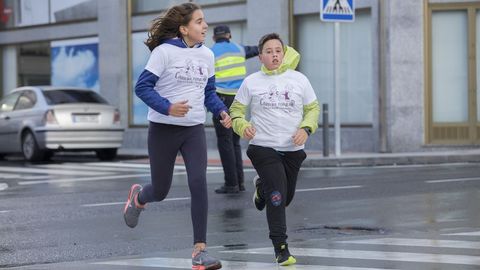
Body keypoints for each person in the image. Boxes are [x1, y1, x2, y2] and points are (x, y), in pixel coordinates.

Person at [123, 3, 230, 270]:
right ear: (184, 29)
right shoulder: (164, 52)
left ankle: (199, 251)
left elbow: (209, 93)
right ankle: (139, 197)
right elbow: (142, 87)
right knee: (160, 190)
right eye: (199, 22)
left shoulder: (207, 55)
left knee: (198, 182)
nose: (205, 26)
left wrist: (220, 111)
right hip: (163, 129)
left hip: (194, 129)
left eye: (204, 21)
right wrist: (168, 107)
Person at [230, 33, 320, 266]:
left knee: (285, 197)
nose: (274, 55)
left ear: (284, 52)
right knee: (278, 195)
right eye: (268, 51)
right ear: (260, 56)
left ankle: (261, 188)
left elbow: (313, 109)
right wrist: (243, 126)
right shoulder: (251, 82)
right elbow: (236, 111)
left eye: (278, 50)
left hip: (293, 148)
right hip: (263, 147)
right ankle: (281, 249)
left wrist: (306, 128)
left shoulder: (299, 79)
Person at [210, 25, 259, 194]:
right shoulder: (239, 49)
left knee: (225, 142)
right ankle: (240, 182)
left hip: (221, 100)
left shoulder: (210, 52)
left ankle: (231, 184)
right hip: (239, 100)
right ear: (229, 35)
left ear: (214, 37)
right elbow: (255, 49)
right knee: (235, 142)